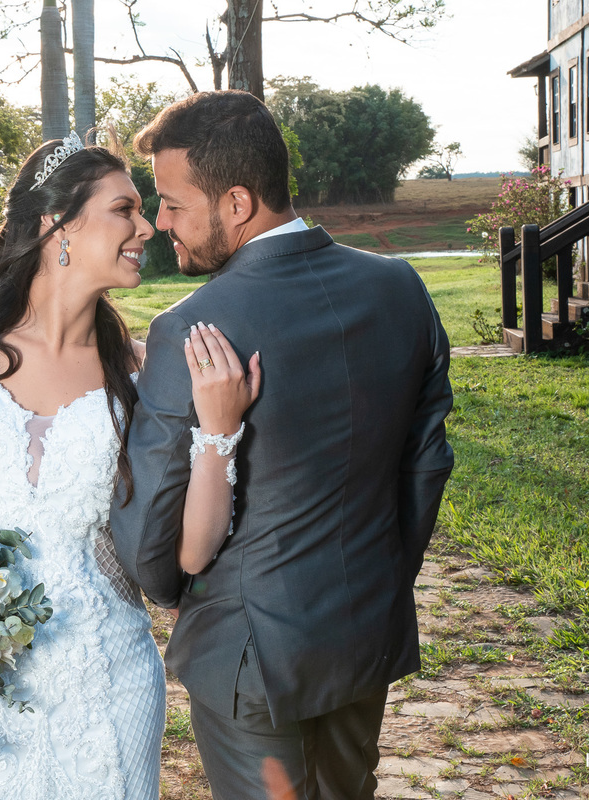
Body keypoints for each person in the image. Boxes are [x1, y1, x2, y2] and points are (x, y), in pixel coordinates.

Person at [0, 131, 257, 800]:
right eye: (125, 209)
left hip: (108, 678)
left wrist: (218, 431)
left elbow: (192, 550)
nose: (146, 227)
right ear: (54, 226)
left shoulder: (140, 374)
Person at [110, 91, 455, 800]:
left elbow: (153, 537)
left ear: (236, 202)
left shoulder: (194, 328)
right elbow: (427, 465)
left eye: (173, 203)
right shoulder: (399, 288)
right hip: (364, 632)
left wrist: (176, 591)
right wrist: (380, 585)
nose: (160, 223)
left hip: (249, 653)